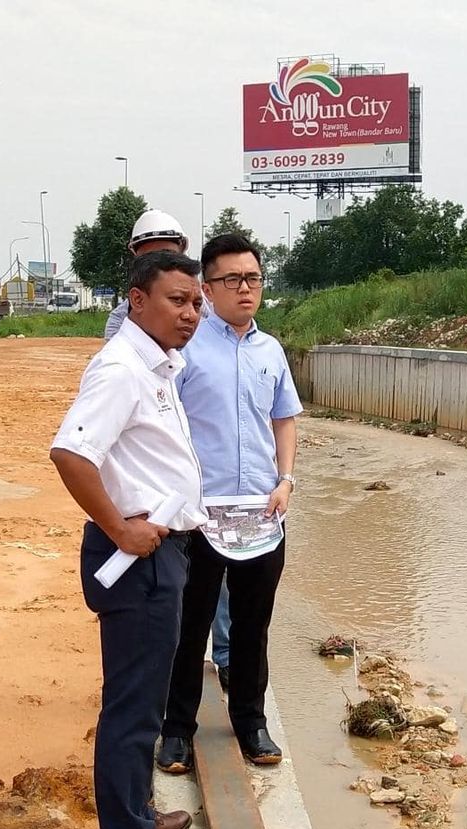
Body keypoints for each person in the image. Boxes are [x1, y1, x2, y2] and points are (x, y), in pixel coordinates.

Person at [50, 250, 210, 829]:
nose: (191, 313)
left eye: (196, 302)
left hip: (158, 552)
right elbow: (71, 452)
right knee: (132, 709)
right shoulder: (121, 368)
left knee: (142, 698)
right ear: (137, 301)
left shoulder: (158, 365)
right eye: (178, 300)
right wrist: (121, 526)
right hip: (136, 558)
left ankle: (135, 815)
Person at [157, 233, 301, 773]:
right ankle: (176, 730)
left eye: (254, 278)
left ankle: (251, 723)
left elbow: (283, 418)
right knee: (188, 625)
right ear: (207, 287)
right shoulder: (185, 349)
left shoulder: (271, 351)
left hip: (261, 514)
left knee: (251, 624)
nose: (245, 289)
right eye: (232, 280)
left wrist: (285, 480)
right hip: (198, 515)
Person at [104, 209, 233, 687]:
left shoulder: (199, 310)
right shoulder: (124, 327)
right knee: (167, 586)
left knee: (212, 573)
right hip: (154, 478)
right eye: (150, 249)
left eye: (169, 248)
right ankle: (167, 671)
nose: (189, 314)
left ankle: (223, 657)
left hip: (196, 463)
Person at [104, 209, 190, 341]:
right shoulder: (121, 321)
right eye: (149, 258)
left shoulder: (211, 314)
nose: (159, 265)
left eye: (167, 255)